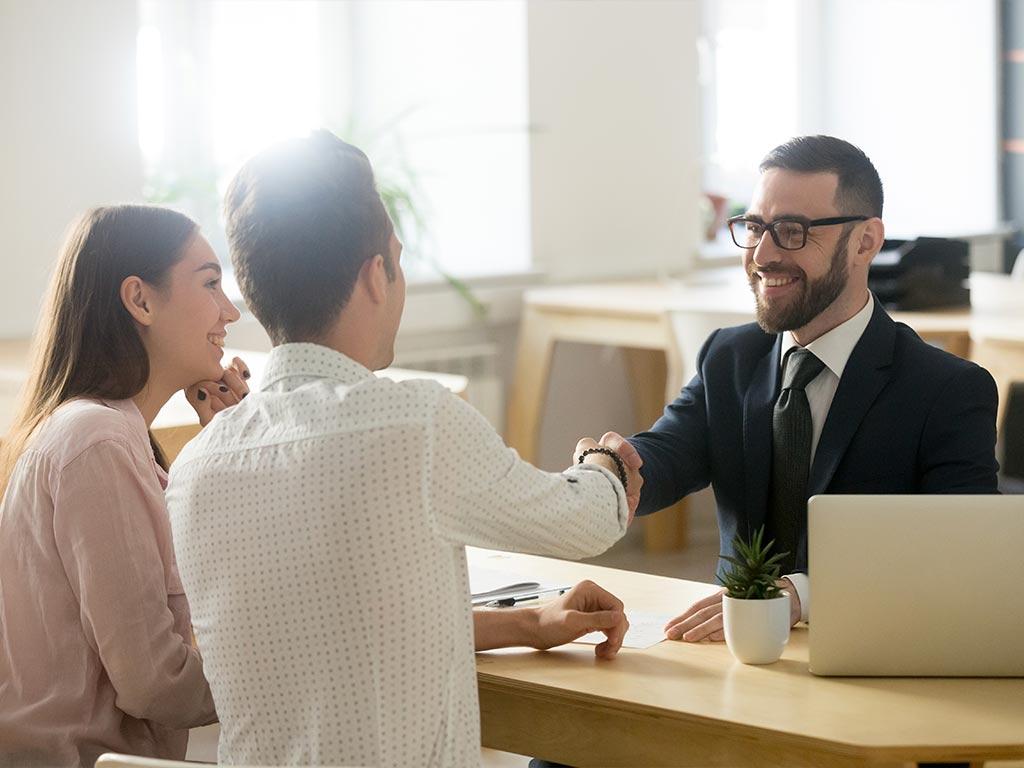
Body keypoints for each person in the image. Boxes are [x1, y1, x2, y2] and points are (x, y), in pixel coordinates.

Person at [165, 130, 640, 767]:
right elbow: (586, 520)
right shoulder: (415, 421)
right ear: (374, 275)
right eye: (398, 257)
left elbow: (336, 634)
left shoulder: (194, 469)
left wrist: (530, 622)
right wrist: (603, 464)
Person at [583, 135, 999, 643]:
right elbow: (667, 453)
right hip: (731, 651)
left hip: (874, 651)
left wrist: (801, 596)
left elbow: (961, 553)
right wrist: (611, 466)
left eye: (792, 232)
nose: (762, 254)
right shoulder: (729, 357)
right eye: (755, 227)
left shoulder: (948, 391)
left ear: (866, 241)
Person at [0, 205, 250, 767]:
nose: (230, 311)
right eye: (211, 283)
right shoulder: (98, 443)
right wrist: (279, 684)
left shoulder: (108, 437)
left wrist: (227, 455)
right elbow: (153, 680)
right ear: (139, 300)